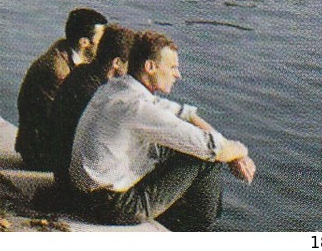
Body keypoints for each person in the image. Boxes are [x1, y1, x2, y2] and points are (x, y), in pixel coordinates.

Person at [69, 31, 255, 230]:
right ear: (150, 67)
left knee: (185, 146)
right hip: (111, 206)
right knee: (203, 160)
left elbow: (184, 114)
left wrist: (232, 154)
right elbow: (212, 148)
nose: (178, 74)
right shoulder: (138, 107)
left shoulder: (116, 88)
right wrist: (241, 151)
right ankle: (198, 230)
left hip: (84, 195)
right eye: (173, 67)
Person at [16, 7, 108, 169]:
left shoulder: (67, 54)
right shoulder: (57, 71)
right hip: (42, 153)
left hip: (48, 142)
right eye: (101, 40)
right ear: (84, 42)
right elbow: (63, 121)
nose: (103, 46)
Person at [48, 23, 137, 190]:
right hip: (78, 181)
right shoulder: (101, 93)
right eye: (130, 64)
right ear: (116, 63)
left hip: (62, 171)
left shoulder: (80, 73)